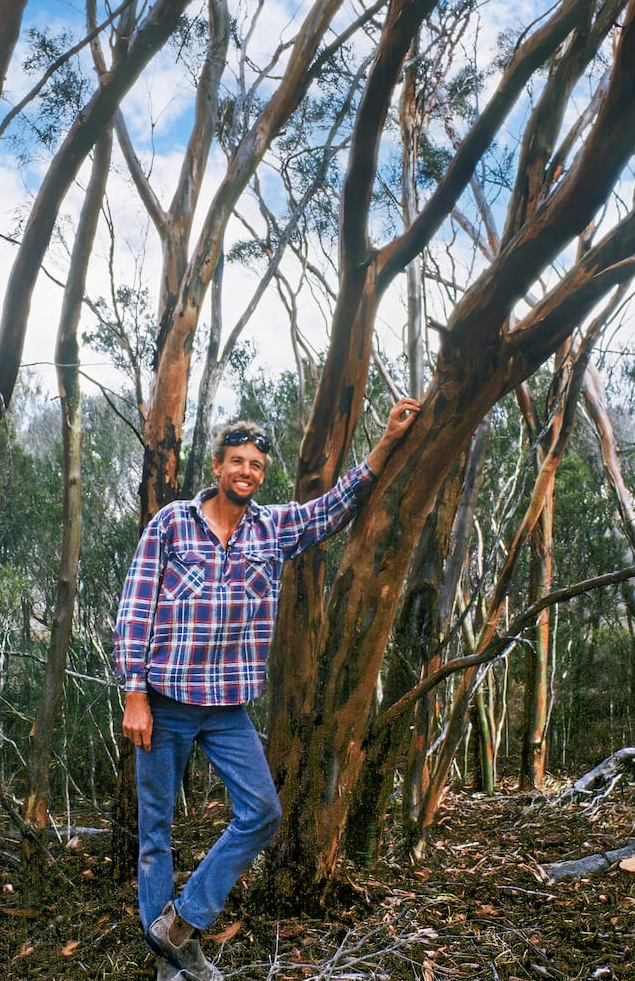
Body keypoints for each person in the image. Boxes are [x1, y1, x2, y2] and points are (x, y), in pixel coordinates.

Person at [114, 398, 421, 981]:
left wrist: (387, 442)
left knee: (262, 811)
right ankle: (169, 969)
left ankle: (182, 923)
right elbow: (134, 608)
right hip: (165, 702)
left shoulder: (271, 529)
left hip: (227, 708)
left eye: (256, 464)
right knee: (156, 835)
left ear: (262, 474)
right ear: (217, 465)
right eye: (237, 461)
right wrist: (134, 693)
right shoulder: (173, 523)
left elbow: (335, 507)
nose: (246, 472)